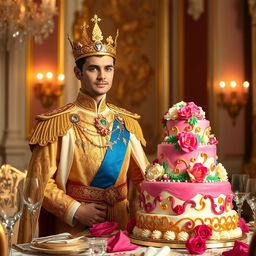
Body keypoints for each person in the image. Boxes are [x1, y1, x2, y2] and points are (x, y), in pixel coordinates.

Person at [18, 14, 148, 243]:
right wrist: (75, 210)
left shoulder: (127, 123)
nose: (102, 76)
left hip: (121, 231)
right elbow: (38, 184)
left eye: (108, 68)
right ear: (78, 73)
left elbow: (147, 181)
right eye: (93, 69)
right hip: (73, 232)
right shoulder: (57, 123)